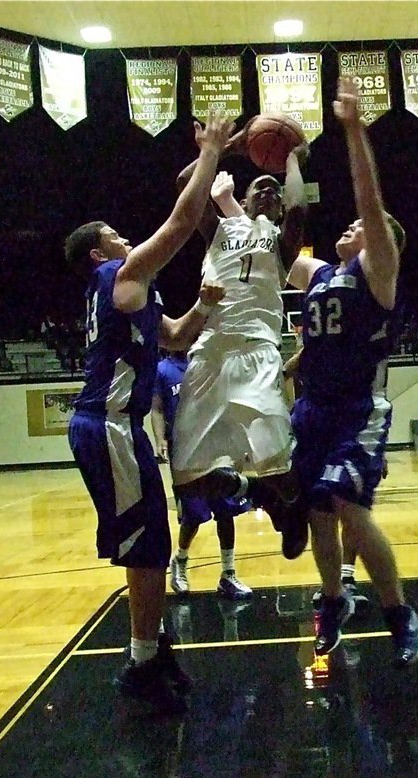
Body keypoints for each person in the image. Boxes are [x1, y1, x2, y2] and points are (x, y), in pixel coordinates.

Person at [63, 112, 233, 706]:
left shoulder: (135, 291)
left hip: (120, 428)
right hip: (106, 426)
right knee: (146, 546)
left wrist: (206, 305)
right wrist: (210, 150)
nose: (123, 238)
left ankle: (152, 649)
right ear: (96, 255)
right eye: (112, 234)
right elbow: (185, 219)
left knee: (151, 542)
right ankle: (141, 666)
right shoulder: (117, 275)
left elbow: (177, 338)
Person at [286, 78, 418, 667]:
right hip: (313, 408)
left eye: (362, 227)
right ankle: (333, 600)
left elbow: (370, 201)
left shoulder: (379, 273)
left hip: (357, 409)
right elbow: (278, 246)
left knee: (345, 501)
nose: (351, 225)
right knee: (316, 508)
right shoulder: (320, 277)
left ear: (382, 243)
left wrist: (353, 130)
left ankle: (399, 611)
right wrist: (287, 163)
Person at [169, 129, 310, 560]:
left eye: (273, 191)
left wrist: (291, 160)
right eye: (258, 189)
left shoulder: (282, 241)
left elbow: (300, 206)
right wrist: (223, 147)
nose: (266, 192)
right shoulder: (219, 227)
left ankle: (289, 507)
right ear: (243, 202)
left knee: (280, 466)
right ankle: (258, 495)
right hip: (209, 353)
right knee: (189, 480)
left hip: (257, 351)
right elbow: (183, 185)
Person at [151, 350, 253, 599]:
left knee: (226, 509)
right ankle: (181, 560)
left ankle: (228, 574)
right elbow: (157, 409)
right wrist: (159, 439)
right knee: (194, 515)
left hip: (217, 445)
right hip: (185, 450)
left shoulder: (213, 364)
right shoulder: (162, 370)